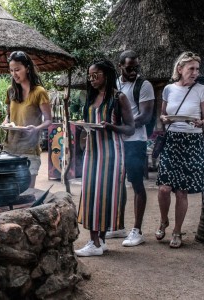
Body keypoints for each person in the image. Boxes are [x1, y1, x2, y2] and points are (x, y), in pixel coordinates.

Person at [75, 59, 135, 257]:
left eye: (96, 75)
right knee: (91, 193)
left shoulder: (119, 98)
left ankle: (96, 242)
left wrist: (111, 126)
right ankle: (97, 241)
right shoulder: (91, 98)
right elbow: (88, 123)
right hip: (92, 152)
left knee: (105, 195)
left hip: (111, 153)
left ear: (107, 75)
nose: (92, 80)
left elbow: (130, 128)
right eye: (89, 76)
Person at [156, 51, 204, 248]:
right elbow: (163, 115)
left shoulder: (201, 90)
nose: (195, 72)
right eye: (191, 68)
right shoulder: (169, 89)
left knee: (181, 192)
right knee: (163, 188)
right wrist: (164, 119)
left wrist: (199, 122)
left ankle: (177, 231)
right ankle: (163, 220)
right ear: (180, 69)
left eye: (197, 69)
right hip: (172, 141)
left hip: (191, 141)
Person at [105, 50, 155, 246]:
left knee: (136, 183)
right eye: (129, 68)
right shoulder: (114, 84)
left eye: (136, 68)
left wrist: (123, 126)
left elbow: (146, 116)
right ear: (120, 67)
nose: (133, 71)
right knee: (117, 182)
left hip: (135, 141)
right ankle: (118, 227)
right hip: (117, 140)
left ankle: (137, 230)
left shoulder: (145, 86)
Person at [2, 51, 52, 188]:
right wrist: (6, 122)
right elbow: (9, 115)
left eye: (17, 70)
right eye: (11, 70)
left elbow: (48, 120)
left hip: (29, 150)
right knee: (9, 192)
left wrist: (36, 129)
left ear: (27, 69)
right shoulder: (11, 91)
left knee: (27, 194)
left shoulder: (39, 92)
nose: (14, 74)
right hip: (9, 148)